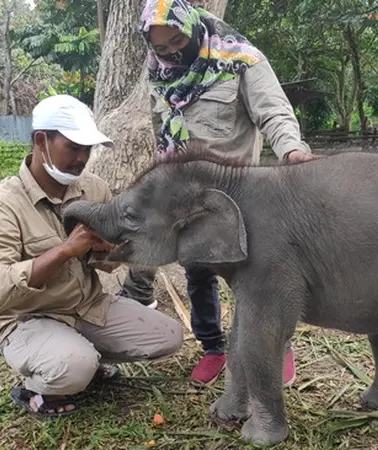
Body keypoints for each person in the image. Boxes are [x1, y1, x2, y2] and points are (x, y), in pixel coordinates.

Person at [121, 0, 316, 388]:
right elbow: (161, 122)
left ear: (193, 27)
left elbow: (274, 112)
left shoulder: (241, 59)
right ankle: (214, 347)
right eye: (161, 47)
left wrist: (292, 150)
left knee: (255, 275)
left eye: (177, 40)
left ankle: (278, 345)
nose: (172, 52)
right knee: (197, 272)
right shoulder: (158, 68)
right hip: (187, 193)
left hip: (239, 191)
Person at [0, 94, 183, 418]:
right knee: (72, 365)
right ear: (41, 140)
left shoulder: (93, 189)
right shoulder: (2, 204)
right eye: (73, 147)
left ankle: (85, 359)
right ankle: (37, 389)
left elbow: (106, 258)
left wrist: (110, 251)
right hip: (27, 319)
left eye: (88, 148)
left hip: (87, 307)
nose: (82, 158)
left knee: (168, 336)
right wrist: (63, 251)